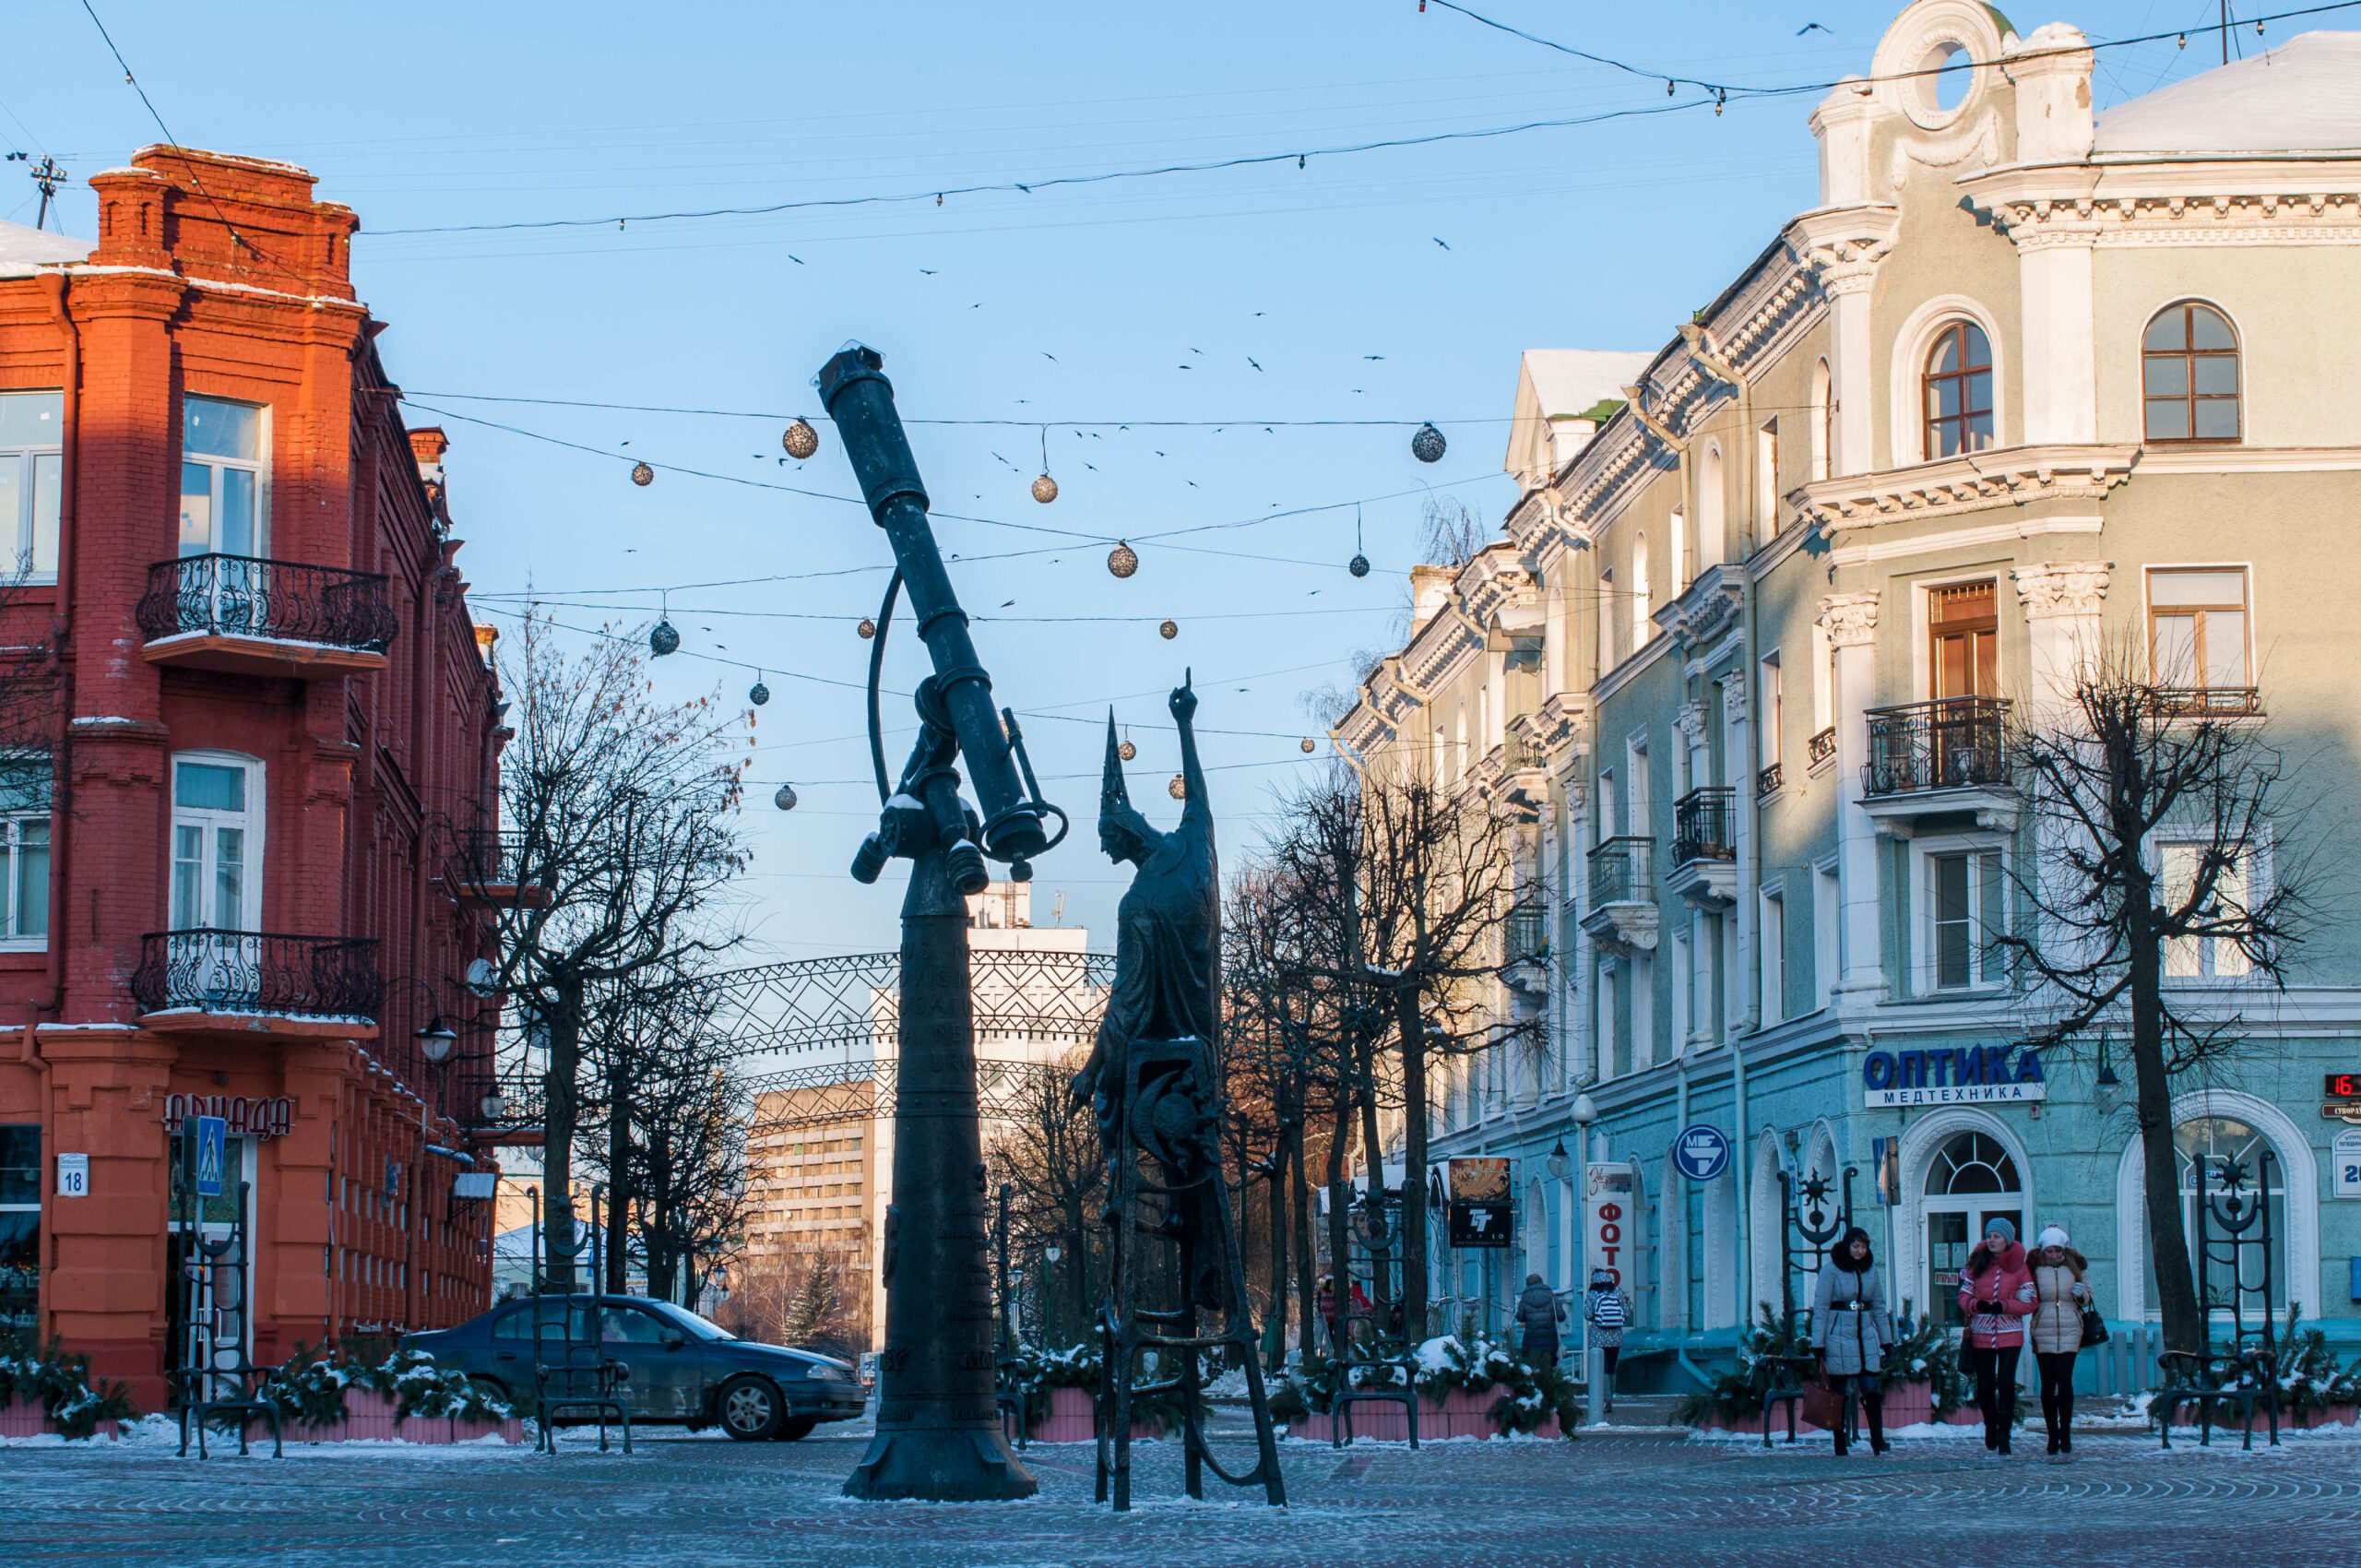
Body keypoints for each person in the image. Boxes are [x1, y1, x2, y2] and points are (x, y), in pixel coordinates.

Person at [1956, 1217, 2036, 1455]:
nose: (1992, 1240)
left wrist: (2005, 1306)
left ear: (2007, 1240)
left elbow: (2031, 1302)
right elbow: (1963, 1295)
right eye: (1989, 1235)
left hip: (2010, 1333)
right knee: (1985, 1386)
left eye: (1997, 1236)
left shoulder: (2020, 1268)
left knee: (2005, 1383)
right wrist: (1975, 1305)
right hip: (1981, 1332)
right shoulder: (1977, 1264)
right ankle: (1990, 1425)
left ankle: (2005, 1434)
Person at [1809, 1226, 1892, 1457]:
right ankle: (1839, 1441)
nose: (1859, 1251)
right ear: (1847, 1245)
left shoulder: (1870, 1270)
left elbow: (1878, 1306)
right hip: (1838, 1337)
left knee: (1870, 1389)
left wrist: (1886, 1340)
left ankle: (1878, 1440)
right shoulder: (1831, 1271)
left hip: (1865, 1337)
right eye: (1856, 1246)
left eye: (1863, 1247)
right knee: (1840, 1393)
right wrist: (1818, 1343)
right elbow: (1821, 1308)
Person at [2027, 1224, 2094, 1456]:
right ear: (2043, 1251)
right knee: (2047, 1383)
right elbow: (2028, 1296)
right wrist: (2024, 1297)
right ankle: (2051, 1435)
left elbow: (2088, 1297)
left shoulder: (2075, 1268)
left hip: (2070, 1327)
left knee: (2064, 1380)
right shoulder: (2034, 1270)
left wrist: (2081, 1294)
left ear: (2064, 1251)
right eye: (2050, 1251)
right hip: (2043, 1328)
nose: (2054, 1255)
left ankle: (2065, 1433)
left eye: (2058, 1251)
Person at [1584, 1268, 1631, 1413]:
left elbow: (1587, 1314)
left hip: (1598, 1336)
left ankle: (1605, 1398)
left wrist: (1598, 1318)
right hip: (1616, 1337)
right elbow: (1627, 1313)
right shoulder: (1616, 1293)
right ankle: (1611, 1397)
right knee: (1611, 1367)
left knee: (1601, 1368)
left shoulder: (1592, 1294)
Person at [1516, 1273, 1565, 1370]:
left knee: (1531, 1369)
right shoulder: (1551, 1296)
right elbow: (1561, 1317)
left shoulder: (1525, 1298)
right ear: (1541, 1282)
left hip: (1530, 1340)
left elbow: (1520, 1317)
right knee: (1548, 1369)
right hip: (1549, 1340)